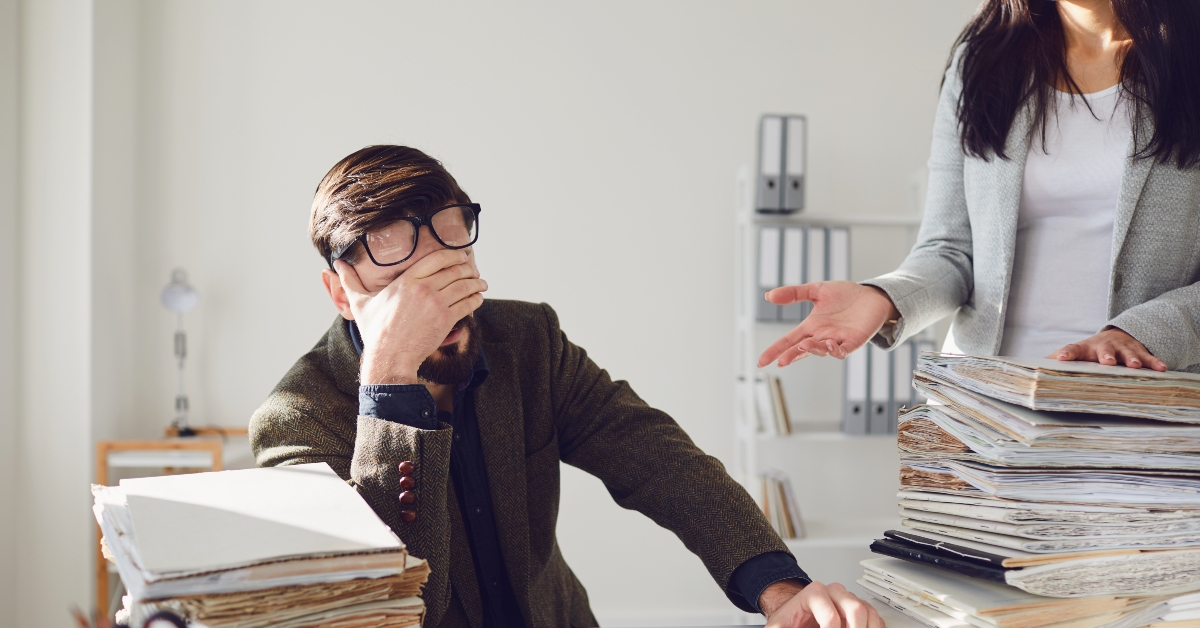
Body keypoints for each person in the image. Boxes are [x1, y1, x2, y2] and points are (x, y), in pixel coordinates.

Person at [250, 146, 883, 628]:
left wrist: (780, 588)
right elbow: (385, 605)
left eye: (452, 271)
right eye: (408, 294)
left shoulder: (527, 340)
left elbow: (658, 459)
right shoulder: (296, 419)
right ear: (341, 292)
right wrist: (390, 383)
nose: (441, 310)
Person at [760, 0, 1200, 373]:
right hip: (987, 410)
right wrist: (884, 297)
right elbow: (949, 250)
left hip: (1144, 414)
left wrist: (1138, 332)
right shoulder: (983, 60)